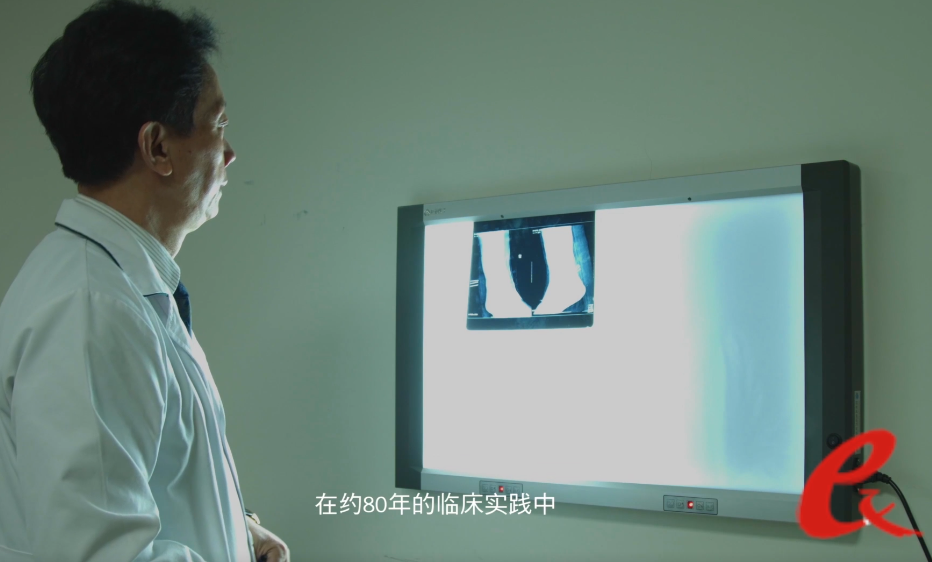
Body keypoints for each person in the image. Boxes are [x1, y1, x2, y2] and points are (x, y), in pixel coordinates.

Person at [0, 1, 289, 560]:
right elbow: (99, 553)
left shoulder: (120, 287)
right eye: (218, 125)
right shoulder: (91, 311)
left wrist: (236, 530)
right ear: (158, 147)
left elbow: (141, 481)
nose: (230, 154)